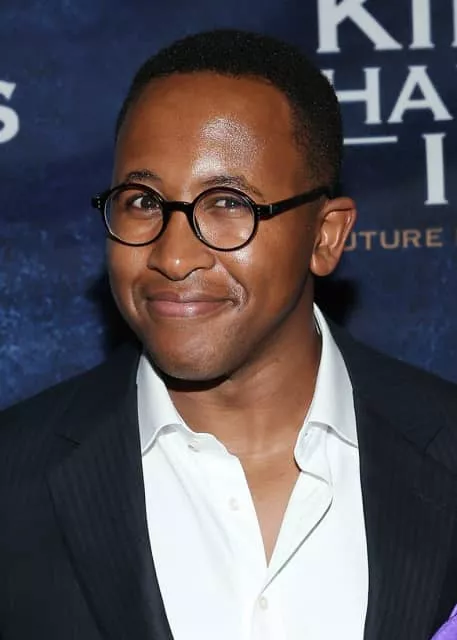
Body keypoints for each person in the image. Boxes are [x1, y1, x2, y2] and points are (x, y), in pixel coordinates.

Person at [1, 29, 457, 640]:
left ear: (326, 236)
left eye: (228, 203)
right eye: (142, 201)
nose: (173, 256)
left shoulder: (445, 447)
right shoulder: (13, 482)